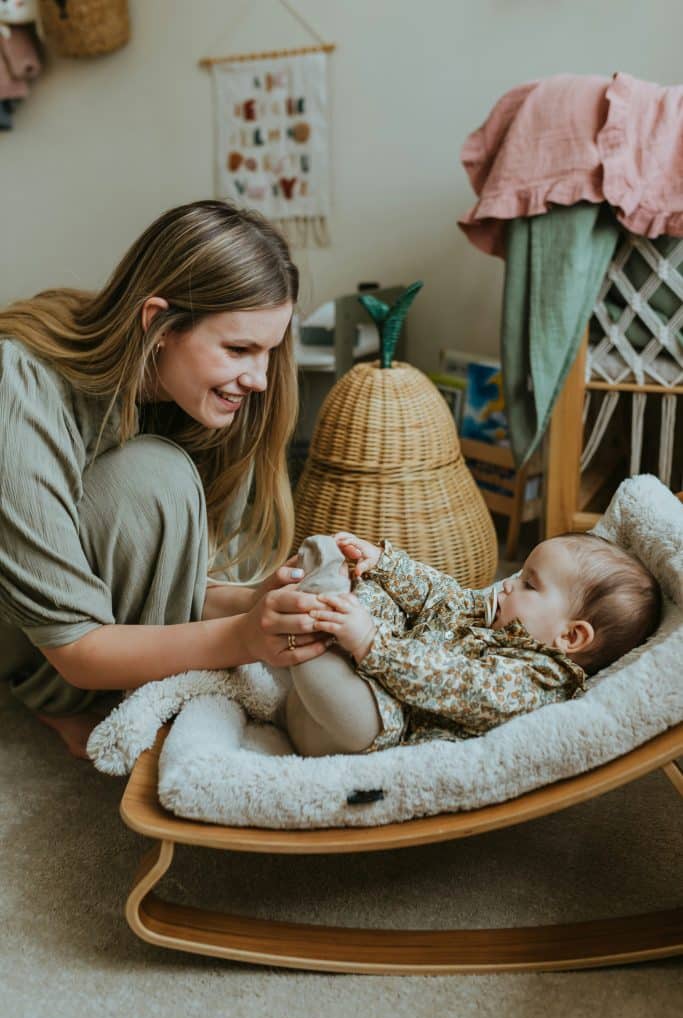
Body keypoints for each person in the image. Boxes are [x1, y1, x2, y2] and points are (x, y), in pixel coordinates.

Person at [0, 199, 329, 759]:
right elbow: (77, 644)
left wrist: (257, 602)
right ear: (157, 322)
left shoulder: (204, 401)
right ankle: (54, 700)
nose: (259, 378)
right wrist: (243, 638)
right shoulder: (22, 387)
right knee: (154, 477)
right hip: (25, 618)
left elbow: (172, 584)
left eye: (270, 351)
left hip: (72, 596)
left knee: (156, 477)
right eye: (239, 348)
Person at [284, 531, 662, 756]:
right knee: (378, 596)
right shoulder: (491, 615)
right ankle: (325, 607)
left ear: (570, 636)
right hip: (325, 700)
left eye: (529, 584)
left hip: (372, 726)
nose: (510, 583)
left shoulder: (536, 680)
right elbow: (443, 594)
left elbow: (459, 683)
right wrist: (384, 564)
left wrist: (371, 642)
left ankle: (314, 612)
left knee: (356, 657)